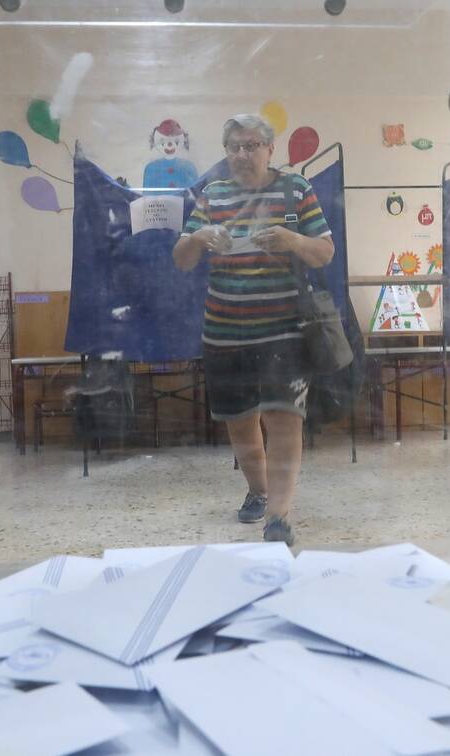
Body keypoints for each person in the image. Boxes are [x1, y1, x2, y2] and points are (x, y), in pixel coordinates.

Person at [172, 114, 334, 546]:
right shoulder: (212, 194)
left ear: (270, 149)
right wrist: (200, 237)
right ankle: (259, 491)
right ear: (226, 152)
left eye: (251, 146)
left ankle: (279, 516)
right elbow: (181, 259)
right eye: (234, 147)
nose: (242, 155)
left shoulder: (296, 189)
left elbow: (325, 252)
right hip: (225, 331)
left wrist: (292, 240)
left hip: (285, 330)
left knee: (284, 418)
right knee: (240, 422)